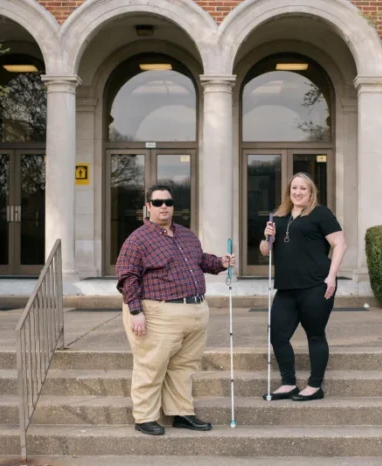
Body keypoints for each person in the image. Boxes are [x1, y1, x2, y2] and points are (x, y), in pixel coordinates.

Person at [116, 184, 235, 436]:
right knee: (151, 365)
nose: (164, 207)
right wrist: (135, 312)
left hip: (194, 311)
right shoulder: (137, 240)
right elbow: (128, 279)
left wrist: (221, 263)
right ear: (147, 207)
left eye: (168, 202)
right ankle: (145, 417)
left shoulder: (185, 234)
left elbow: (200, 260)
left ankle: (181, 413)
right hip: (159, 313)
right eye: (157, 203)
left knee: (185, 367)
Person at [260, 172, 347, 401]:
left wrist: (332, 276)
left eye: (303, 189)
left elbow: (340, 244)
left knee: (315, 335)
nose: (297, 192)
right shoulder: (279, 217)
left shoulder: (321, 213)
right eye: (294, 188)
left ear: (311, 192)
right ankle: (288, 383)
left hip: (316, 285)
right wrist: (266, 237)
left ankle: (315, 386)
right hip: (286, 288)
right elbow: (265, 251)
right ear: (289, 191)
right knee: (277, 335)